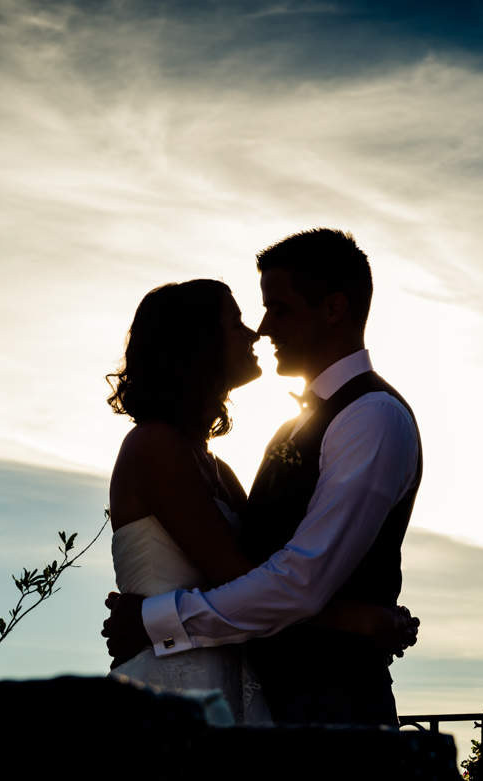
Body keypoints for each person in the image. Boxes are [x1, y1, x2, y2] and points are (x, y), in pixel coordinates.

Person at [104, 229, 424, 726]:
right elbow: (259, 574)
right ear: (197, 347)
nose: (261, 328)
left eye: (279, 308)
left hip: (330, 701)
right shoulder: (277, 433)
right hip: (216, 686)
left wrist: (153, 620)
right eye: (242, 320)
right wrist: (354, 618)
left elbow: (293, 579)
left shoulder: (371, 417)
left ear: (334, 309)